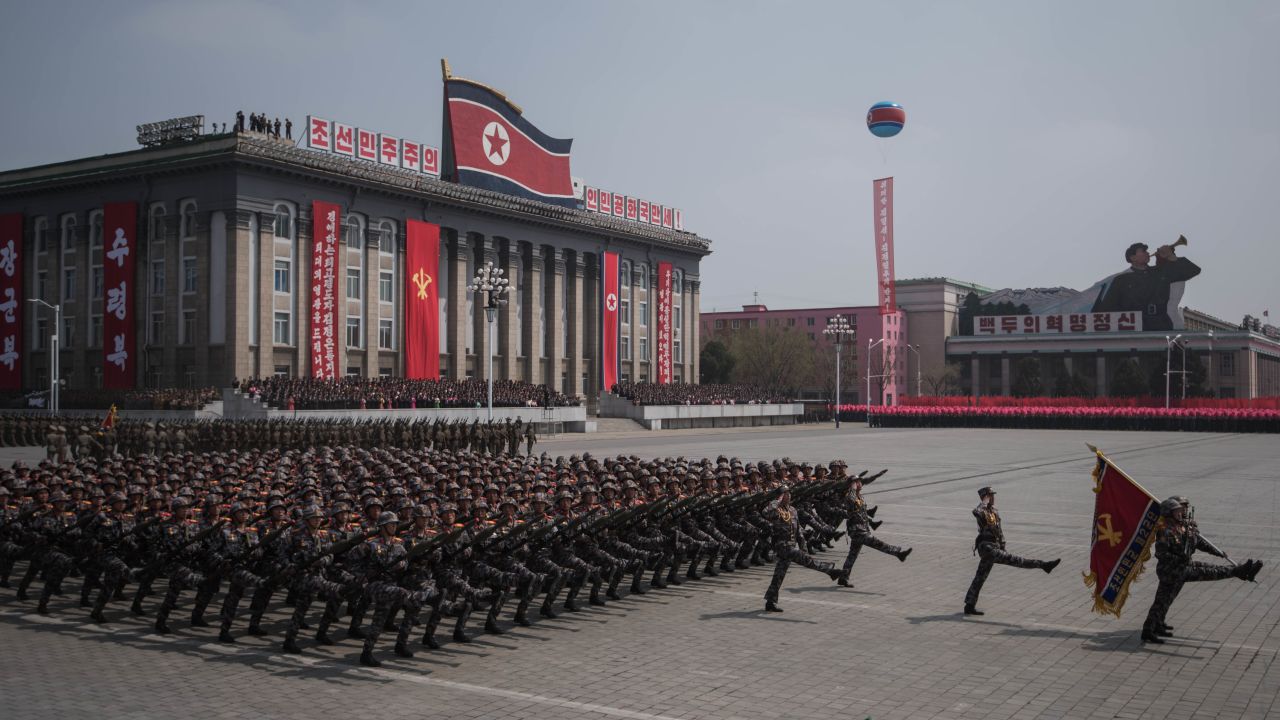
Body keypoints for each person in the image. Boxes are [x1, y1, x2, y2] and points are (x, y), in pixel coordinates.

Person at [1140, 497, 1262, 643]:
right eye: (1178, 511)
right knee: (1208, 573)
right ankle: (1148, 631)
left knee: (1166, 599)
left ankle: (1156, 625)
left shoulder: (1182, 527)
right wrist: (1180, 558)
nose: (1181, 513)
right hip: (1172, 572)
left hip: (1183, 568)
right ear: (1169, 513)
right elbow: (1161, 554)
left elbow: (1198, 542)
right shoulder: (1165, 530)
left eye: (1181, 510)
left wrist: (1216, 552)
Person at [964, 487, 1060, 616]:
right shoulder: (982, 511)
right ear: (984, 497)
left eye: (992, 495)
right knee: (1017, 561)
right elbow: (975, 512)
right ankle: (1043, 565)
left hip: (995, 547)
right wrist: (984, 502)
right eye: (990, 495)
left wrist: (1003, 546)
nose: (993, 497)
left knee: (980, 576)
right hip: (987, 548)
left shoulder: (994, 511)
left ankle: (969, 605)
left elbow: (999, 530)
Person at [762, 486, 841, 612]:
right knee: (807, 561)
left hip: (791, 545)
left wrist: (803, 548)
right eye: (785, 494)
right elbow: (765, 513)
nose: (788, 495)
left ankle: (770, 601)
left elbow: (798, 531)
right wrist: (777, 501)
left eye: (789, 493)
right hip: (782, 545)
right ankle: (830, 571)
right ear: (780, 496)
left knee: (779, 575)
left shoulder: (793, 510)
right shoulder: (775, 509)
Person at [1093, 239, 1201, 331]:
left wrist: (1171, 257)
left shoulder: (1160, 272)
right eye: (1143, 251)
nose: (1147, 253)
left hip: (1161, 325)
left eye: (1147, 251)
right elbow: (1107, 309)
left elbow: (1193, 270)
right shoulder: (1121, 280)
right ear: (1132, 257)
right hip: (1133, 327)